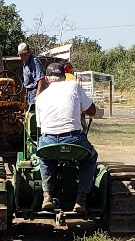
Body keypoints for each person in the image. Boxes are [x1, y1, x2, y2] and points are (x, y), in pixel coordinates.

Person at [34, 62, 98, 213]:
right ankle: (81, 200)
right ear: (64, 76)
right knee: (90, 158)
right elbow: (92, 111)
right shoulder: (74, 86)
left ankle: (47, 196)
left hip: (48, 141)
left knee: (44, 158)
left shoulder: (41, 97)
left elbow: (40, 126)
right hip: (73, 140)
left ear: (47, 79)